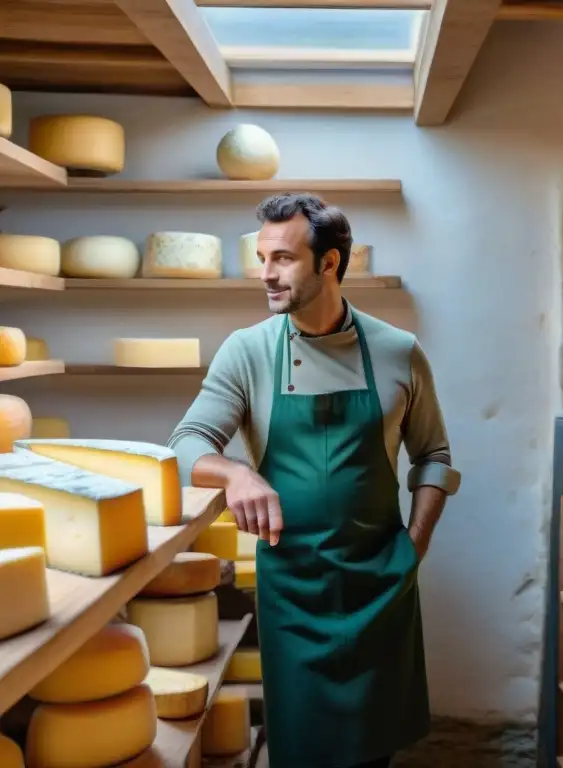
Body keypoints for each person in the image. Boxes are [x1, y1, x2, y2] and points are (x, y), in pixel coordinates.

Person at [167, 193, 460, 768]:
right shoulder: (247, 351)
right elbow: (186, 445)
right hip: (293, 589)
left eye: (283, 259)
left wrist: (414, 546)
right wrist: (235, 474)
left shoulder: (399, 351)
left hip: (381, 582)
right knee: (301, 749)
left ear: (329, 263)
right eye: (261, 258)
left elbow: (434, 455)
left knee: (375, 749)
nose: (266, 275)